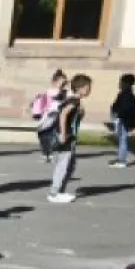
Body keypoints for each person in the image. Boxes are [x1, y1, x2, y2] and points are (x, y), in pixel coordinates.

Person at [46, 74, 91, 205]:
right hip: (66, 137)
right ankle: (54, 193)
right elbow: (63, 114)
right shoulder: (74, 101)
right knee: (63, 165)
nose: (89, 90)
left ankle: (60, 191)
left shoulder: (74, 100)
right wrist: (63, 133)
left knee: (70, 165)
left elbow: (70, 116)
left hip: (69, 136)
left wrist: (81, 114)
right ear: (80, 88)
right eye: (88, 87)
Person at [108, 73, 135, 169]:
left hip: (124, 120)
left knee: (123, 140)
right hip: (123, 119)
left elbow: (126, 109)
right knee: (121, 139)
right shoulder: (126, 94)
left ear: (126, 83)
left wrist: (118, 114)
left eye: (121, 82)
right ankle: (120, 158)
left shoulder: (127, 95)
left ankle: (122, 161)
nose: (120, 84)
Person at [37, 69, 69, 162]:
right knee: (43, 134)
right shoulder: (50, 92)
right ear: (54, 82)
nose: (62, 85)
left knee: (50, 134)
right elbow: (42, 103)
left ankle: (49, 153)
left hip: (56, 115)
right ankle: (46, 153)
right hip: (48, 115)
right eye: (61, 82)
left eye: (63, 83)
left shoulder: (64, 92)